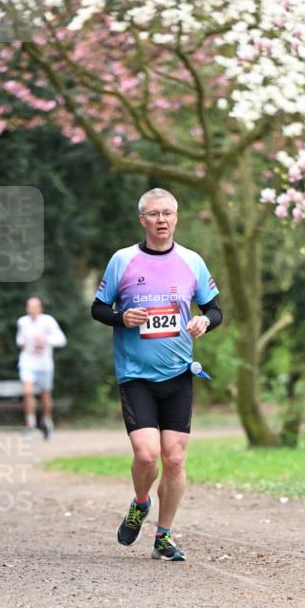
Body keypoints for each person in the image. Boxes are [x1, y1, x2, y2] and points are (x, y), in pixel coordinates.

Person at [91, 187, 222, 562]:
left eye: (167, 213)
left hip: (178, 374)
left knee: (175, 459)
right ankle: (140, 502)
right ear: (142, 220)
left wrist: (204, 321)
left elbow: (215, 309)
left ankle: (163, 536)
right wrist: (121, 318)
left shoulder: (192, 261)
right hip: (136, 375)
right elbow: (98, 308)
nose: (161, 219)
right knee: (147, 455)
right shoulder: (123, 260)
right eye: (154, 214)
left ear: (176, 218)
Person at [16, 295, 67, 438]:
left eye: (34, 307)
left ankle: (47, 421)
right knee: (27, 392)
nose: (31, 309)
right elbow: (19, 338)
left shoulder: (48, 321)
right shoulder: (22, 322)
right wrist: (21, 342)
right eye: (29, 307)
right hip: (27, 362)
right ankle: (30, 422)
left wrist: (46, 340)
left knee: (45, 395)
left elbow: (61, 340)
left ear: (40, 308)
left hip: (44, 364)